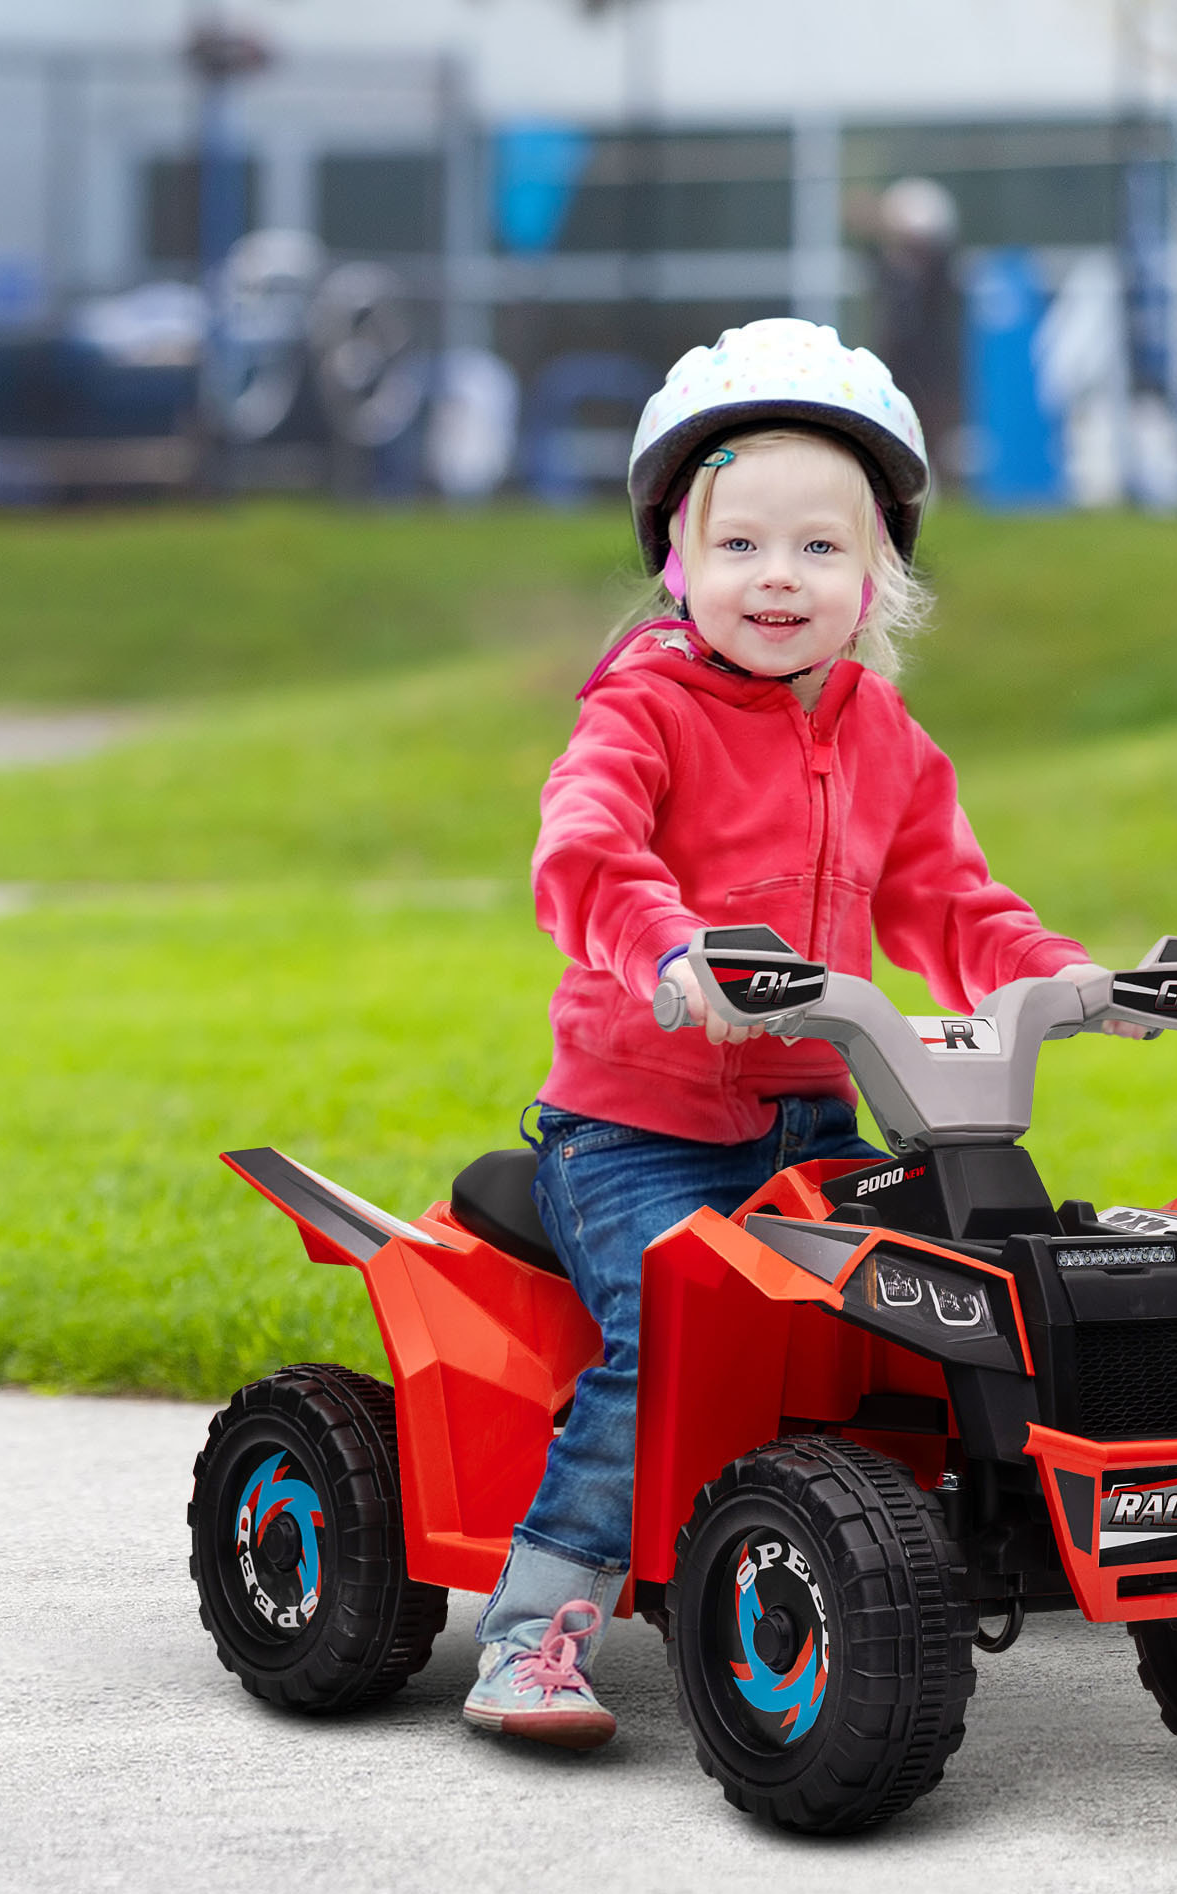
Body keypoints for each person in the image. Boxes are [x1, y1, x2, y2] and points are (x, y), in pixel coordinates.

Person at [463, 317, 1125, 1749]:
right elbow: (583, 854)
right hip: (636, 1130)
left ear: (879, 571)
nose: (780, 577)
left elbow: (949, 899)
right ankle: (535, 1624)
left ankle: (918, 1555)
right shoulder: (643, 708)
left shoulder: (881, 732)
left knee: (920, 1318)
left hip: (818, 1115)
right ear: (675, 564)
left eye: (821, 550)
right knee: (664, 1344)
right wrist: (668, 949)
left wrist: (1062, 978)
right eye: (742, 545)